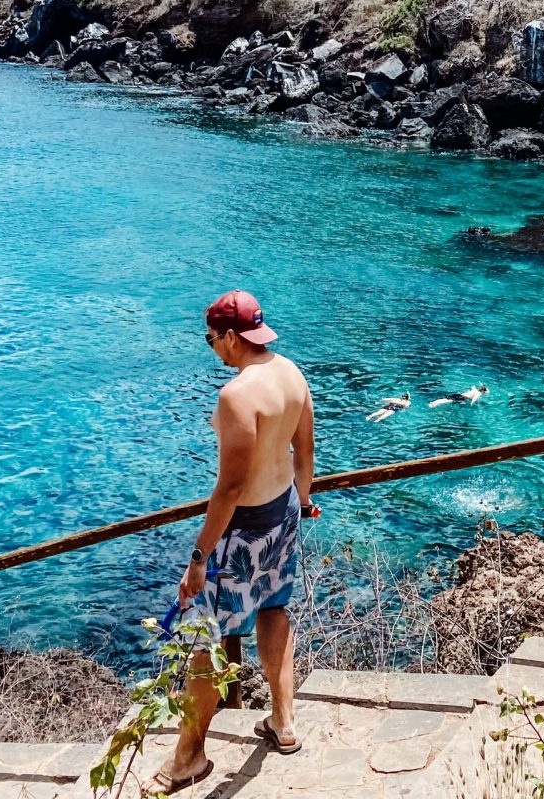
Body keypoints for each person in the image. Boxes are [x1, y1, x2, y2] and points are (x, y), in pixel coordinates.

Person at [152, 290, 315, 793]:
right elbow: (304, 451)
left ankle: (188, 757)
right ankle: (283, 723)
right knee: (273, 609)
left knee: (204, 641)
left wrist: (198, 558)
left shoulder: (237, 396)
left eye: (211, 340)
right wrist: (301, 503)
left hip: (240, 533)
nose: (213, 350)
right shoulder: (291, 372)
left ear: (229, 336)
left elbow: (229, 487)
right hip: (284, 511)